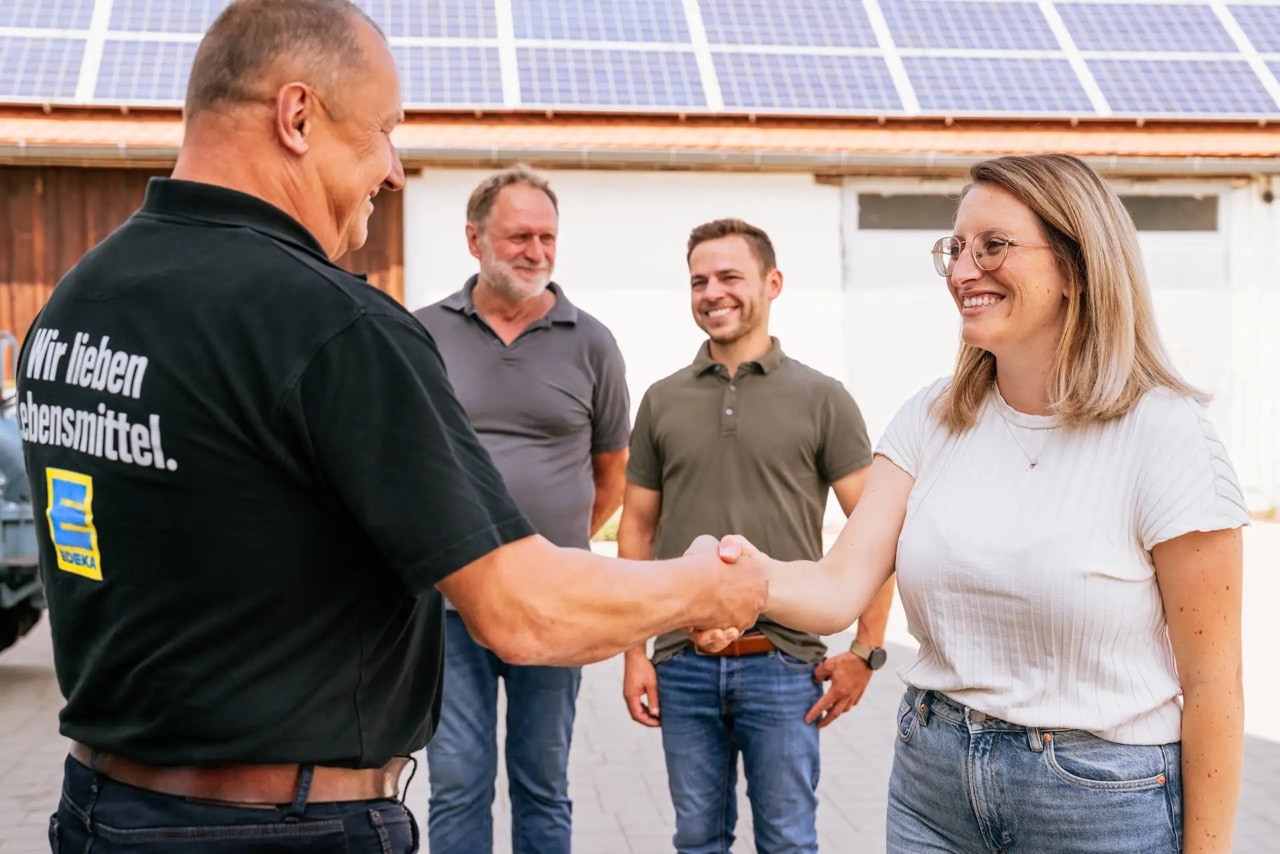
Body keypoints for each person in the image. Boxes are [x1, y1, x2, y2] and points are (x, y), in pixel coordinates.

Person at [16, 2, 765, 851]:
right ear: (297, 117)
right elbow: (523, 612)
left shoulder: (79, 301)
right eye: (381, 132)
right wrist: (705, 586)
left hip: (101, 811)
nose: (395, 169)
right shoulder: (332, 324)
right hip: (281, 828)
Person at [700, 154, 1247, 853]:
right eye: (955, 249)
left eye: (993, 246)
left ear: (1078, 268)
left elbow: (1214, 688)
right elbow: (838, 586)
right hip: (935, 777)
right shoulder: (931, 416)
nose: (962, 271)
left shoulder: (1167, 436)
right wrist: (738, 579)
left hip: (1099, 799)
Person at [618, 218, 897, 854]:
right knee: (697, 841)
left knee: (788, 843)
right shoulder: (661, 401)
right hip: (682, 665)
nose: (711, 292)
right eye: (698, 281)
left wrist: (867, 651)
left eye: (728, 277)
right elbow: (635, 530)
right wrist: (635, 652)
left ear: (772, 284)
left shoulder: (823, 399)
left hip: (785, 663)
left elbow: (875, 532)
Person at [413, 166, 629, 854]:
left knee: (542, 781)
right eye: (519, 236)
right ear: (474, 239)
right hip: (449, 603)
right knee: (456, 782)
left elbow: (611, 474)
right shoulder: (422, 334)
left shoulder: (591, 342)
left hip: (553, 604)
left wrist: (546, 552)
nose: (536, 250)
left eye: (547, 236)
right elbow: (403, 461)